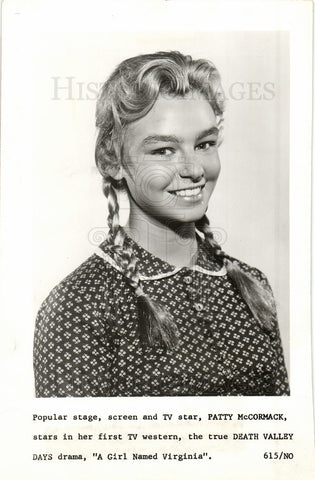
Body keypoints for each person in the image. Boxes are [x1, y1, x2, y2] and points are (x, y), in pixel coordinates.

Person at [33, 51, 289, 397]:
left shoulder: (251, 286)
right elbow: (76, 447)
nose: (194, 169)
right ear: (113, 160)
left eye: (205, 144)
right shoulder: (81, 305)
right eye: (163, 151)